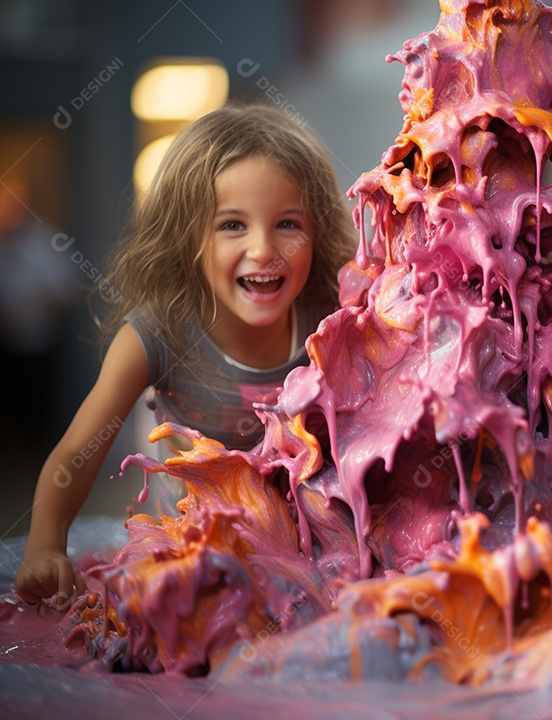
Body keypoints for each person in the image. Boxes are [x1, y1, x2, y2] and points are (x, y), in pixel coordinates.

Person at [15, 104, 357, 607]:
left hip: (309, 570)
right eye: (232, 226)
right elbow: (75, 455)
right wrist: (44, 546)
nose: (264, 249)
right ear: (188, 237)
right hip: (188, 572)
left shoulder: (335, 322)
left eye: (287, 223)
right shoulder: (157, 335)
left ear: (319, 232)